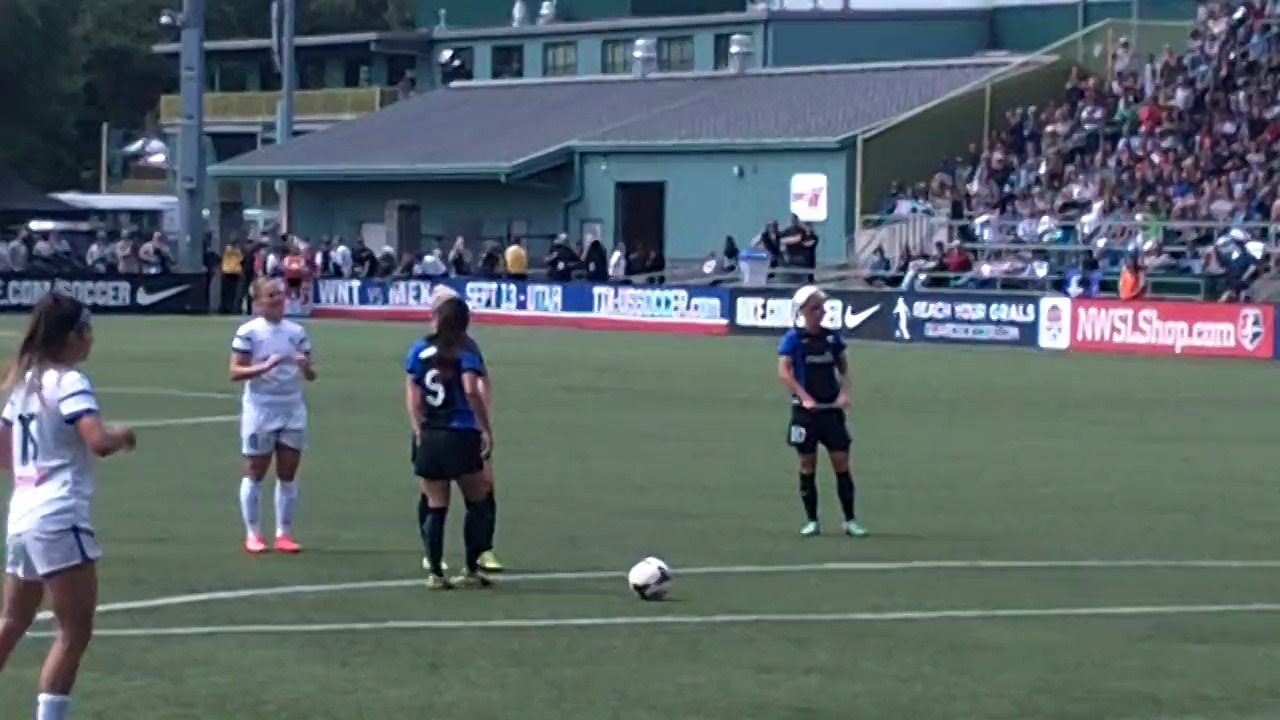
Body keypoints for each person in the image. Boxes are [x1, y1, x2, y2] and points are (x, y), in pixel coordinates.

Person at [0, 294, 136, 720]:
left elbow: (3, 452)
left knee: (12, 622)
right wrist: (122, 435)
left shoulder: (21, 384)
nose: (91, 340)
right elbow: (97, 441)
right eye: (87, 330)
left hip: (21, 515)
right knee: (74, 631)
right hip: (57, 515)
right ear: (72, 336)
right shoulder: (69, 381)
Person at [404, 287, 495, 590]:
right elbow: (471, 388)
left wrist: (419, 429)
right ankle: (471, 567)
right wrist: (485, 426)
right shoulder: (464, 352)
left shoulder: (419, 350)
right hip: (460, 432)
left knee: (435, 504)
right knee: (477, 500)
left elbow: (413, 394)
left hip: (430, 433)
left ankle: (435, 572)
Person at [230, 278, 316, 554]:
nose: (278, 299)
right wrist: (264, 367)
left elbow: (312, 374)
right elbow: (234, 371)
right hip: (260, 408)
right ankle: (253, 533)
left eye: (280, 294)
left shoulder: (297, 331)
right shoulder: (248, 332)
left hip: (292, 408)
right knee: (255, 471)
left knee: (288, 472)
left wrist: (305, 368)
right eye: (271, 295)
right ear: (258, 302)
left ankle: (284, 533)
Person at [776, 285, 867, 538]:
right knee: (807, 466)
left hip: (830, 412)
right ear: (802, 311)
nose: (820, 312)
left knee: (842, 465)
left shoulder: (832, 338)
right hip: (805, 415)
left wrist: (844, 393)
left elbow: (844, 369)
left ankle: (850, 519)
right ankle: (812, 520)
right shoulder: (793, 339)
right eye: (815, 308)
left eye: (821, 308)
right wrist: (804, 397)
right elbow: (784, 372)